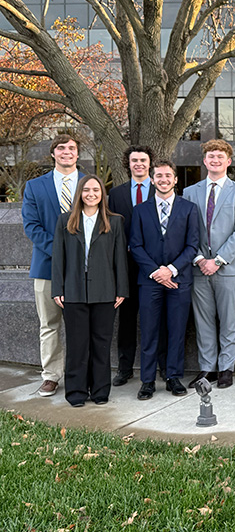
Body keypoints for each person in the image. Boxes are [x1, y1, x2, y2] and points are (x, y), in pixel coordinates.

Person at [50, 176, 127, 407]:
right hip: (73, 291)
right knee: (77, 345)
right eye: (86, 190)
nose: (91, 194)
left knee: (101, 344)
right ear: (79, 194)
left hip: (105, 291)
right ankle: (76, 392)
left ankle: (100, 391)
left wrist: (121, 289)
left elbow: (120, 258)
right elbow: (58, 257)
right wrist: (57, 289)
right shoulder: (65, 220)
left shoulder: (114, 222)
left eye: (96, 190)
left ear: (102, 193)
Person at [184, 139, 235, 389]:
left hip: (229, 267)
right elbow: (185, 230)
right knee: (203, 321)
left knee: (228, 319)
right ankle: (207, 368)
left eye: (220, 157)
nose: (215, 160)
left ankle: (226, 368)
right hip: (199, 267)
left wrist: (218, 260)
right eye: (211, 156)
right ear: (205, 161)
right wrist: (199, 259)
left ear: (228, 161)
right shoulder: (189, 192)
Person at [129, 160, 200, 400]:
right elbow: (135, 245)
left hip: (179, 280)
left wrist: (170, 270)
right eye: (159, 175)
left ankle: (173, 377)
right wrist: (155, 272)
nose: (163, 179)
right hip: (149, 281)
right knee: (149, 332)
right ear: (152, 180)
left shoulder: (189, 209)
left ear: (175, 179)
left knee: (177, 331)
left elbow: (192, 246)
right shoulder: (140, 210)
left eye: (168, 175)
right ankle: (148, 381)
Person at [21, 134, 84, 397]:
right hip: (46, 266)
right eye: (61, 148)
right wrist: (59, 251)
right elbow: (31, 226)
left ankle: (80, 375)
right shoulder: (35, 186)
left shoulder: (90, 184)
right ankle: (51, 376)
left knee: (81, 325)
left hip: (83, 268)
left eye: (72, 148)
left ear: (78, 154)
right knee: (49, 324)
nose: (66, 152)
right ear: (53, 153)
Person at [107, 145, 156, 386]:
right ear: (128, 164)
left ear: (150, 164)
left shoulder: (161, 189)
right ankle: (124, 369)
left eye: (143, 160)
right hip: (125, 267)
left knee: (155, 318)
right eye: (134, 160)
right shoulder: (116, 194)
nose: (139, 164)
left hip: (154, 266)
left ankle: (160, 366)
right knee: (126, 320)